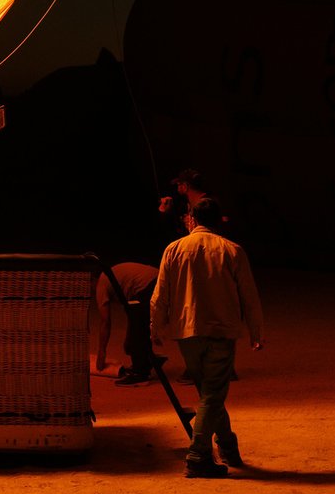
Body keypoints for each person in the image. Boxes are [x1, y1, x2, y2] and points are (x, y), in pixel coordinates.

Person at [149, 196, 264, 478]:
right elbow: (249, 296)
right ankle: (198, 455)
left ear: (192, 219)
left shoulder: (174, 249)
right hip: (221, 330)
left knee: (208, 394)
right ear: (219, 221)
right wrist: (255, 331)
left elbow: (160, 294)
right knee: (213, 394)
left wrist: (155, 327)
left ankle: (228, 446)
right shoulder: (232, 250)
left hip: (187, 332)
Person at [94, 261, 162, 385]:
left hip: (148, 285)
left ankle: (140, 373)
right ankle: (149, 360)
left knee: (137, 333)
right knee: (135, 334)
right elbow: (132, 314)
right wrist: (128, 339)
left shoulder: (101, 284)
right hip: (158, 278)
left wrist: (102, 351)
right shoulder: (110, 277)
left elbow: (105, 321)